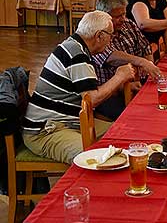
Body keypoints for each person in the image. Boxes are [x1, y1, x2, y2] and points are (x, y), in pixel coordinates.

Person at [22, 11, 135, 164]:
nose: (111, 41)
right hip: (46, 131)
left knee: (123, 135)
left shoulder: (76, 46)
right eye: (110, 35)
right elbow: (91, 100)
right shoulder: (77, 54)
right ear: (99, 35)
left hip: (69, 122)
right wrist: (119, 77)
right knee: (99, 160)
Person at [92, 0, 161, 120]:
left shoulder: (128, 24)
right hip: (110, 93)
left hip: (135, 84)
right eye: (117, 16)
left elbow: (145, 46)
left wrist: (149, 66)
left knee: (160, 105)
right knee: (139, 117)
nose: (123, 19)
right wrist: (141, 62)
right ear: (103, 16)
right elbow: (110, 56)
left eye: (124, 14)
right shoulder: (97, 32)